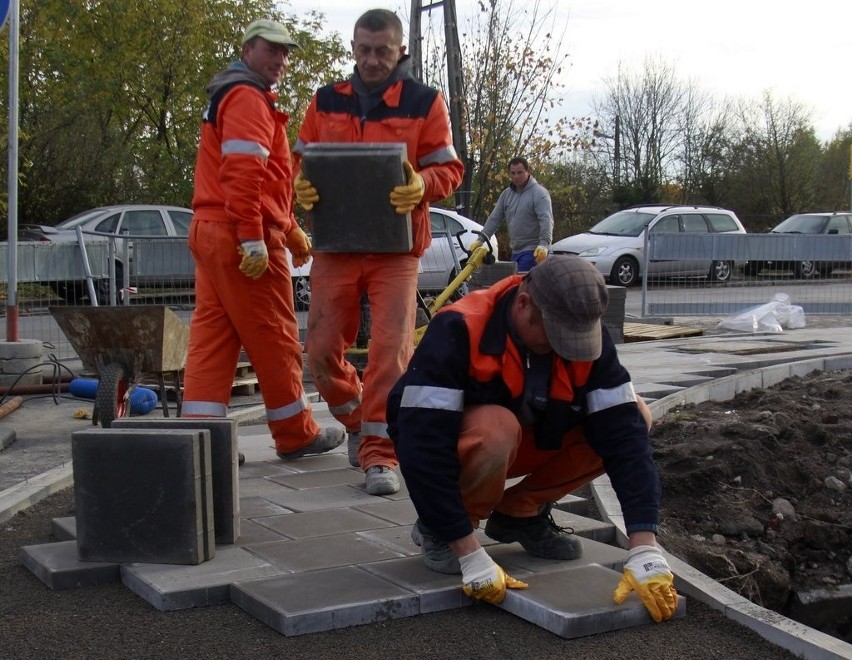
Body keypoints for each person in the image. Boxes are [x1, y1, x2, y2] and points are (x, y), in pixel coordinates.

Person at [386, 255, 677, 621]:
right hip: (461, 446)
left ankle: (520, 515)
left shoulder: (583, 331)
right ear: (523, 305)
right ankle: (443, 531)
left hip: (532, 437)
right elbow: (422, 446)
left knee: (634, 415)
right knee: (497, 428)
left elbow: (625, 437)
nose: (565, 347)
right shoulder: (460, 329)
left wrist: (644, 546)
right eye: (556, 336)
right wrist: (470, 554)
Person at [292, 9, 464, 495]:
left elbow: (449, 171)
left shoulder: (425, 103)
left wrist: (421, 184)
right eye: (363, 50)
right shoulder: (325, 101)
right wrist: (300, 183)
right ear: (353, 47)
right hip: (337, 245)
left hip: (396, 250)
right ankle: (356, 421)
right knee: (321, 352)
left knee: (390, 353)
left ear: (399, 51)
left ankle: (381, 455)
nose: (371, 60)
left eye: (382, 51)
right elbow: (299, 159)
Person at [181, 19, 345, 460]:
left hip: (212, 230)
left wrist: (287, 224)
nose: (280, 60)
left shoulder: (230, 94)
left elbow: (260, 180)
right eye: (271, 50)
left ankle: (203, 442)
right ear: (247, 49)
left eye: (285, 53)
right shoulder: (249, 98)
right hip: (240, 236)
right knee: (275, 336)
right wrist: (255, 237)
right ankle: (296, 434)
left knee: (213, 337)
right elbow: (244, 175)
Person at [470, 157, 554, 272]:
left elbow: (546, 220)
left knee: (521, 285)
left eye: (520, 172)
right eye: (513, 173)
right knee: (516, 286)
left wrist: (544, 244)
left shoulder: (539, 193)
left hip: (533, 251)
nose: (516, 176)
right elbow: (494, 218)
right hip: (515, 251)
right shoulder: (506, 195)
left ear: (528, 171)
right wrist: (481, 239)